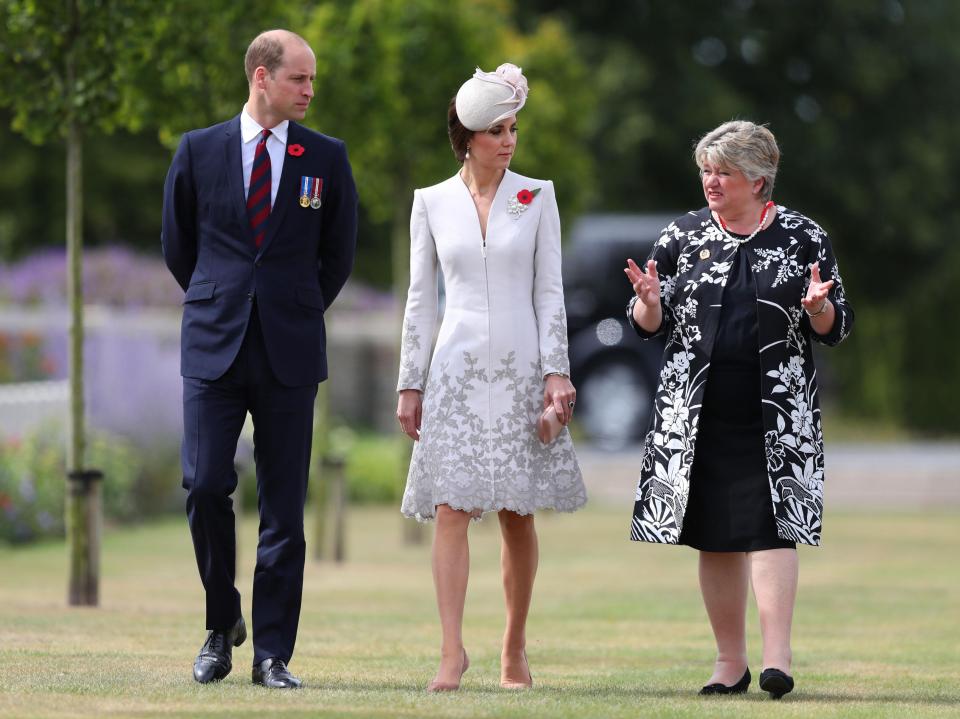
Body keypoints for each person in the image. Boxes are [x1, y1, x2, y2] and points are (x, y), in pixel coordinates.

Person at [623, 120, 853, 700]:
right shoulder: (681, 236)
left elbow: (835, 327)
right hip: (699, 412)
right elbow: (650, 325)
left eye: (723, 172)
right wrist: (648, 304)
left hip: (775, 410)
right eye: (706, 170)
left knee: (775, 527)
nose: (711, 181)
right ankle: (730, 662)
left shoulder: (803, 238)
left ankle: (778, 657)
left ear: (758, 179)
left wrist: (818, 308)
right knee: (715, 535)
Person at [161, 29, 358, 689]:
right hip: (213, 346)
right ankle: (223, 621)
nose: (309, 90)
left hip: (290, 351)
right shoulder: (197, 150)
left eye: (311, 80)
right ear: (261, 78)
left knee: (283, 507)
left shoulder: (325, 157)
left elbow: (339, 254)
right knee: (205, 484)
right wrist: (224, 299)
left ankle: (271, 652)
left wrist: (295, 305)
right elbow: (177, 247)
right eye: (299, 78)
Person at [396, 63, 587, 692]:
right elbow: (421, 300)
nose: (508, 140)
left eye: (513, 128)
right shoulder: (430, 202)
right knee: (452, 508)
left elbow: (550, 292)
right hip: (453, 370)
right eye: (496, 130)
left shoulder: (538, 196)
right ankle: (451, 652)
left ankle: (514, 648)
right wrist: (410, 381)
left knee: (516, 513)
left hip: (521, 368)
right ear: (468, 136)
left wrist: (556, 372)